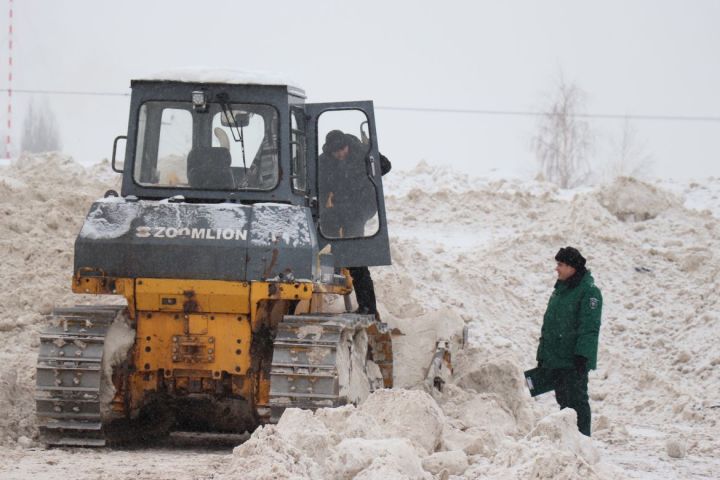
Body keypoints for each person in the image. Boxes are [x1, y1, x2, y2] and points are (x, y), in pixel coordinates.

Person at [319, 130, 391, 315]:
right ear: (330, 151)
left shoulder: (362, 152)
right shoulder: (324, 161)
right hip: (339, 207)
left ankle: (368, 308)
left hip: (361, 207)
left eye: (343, 149)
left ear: (347, 145)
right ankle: (330, 272)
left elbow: (386, 166)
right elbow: (318, 182)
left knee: (356, 255)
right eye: (336, 152)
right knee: (325, 239)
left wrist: (373, 152)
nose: (341, 154)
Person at [535, 246, 602, 436]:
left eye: (561, 265)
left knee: (577, 403)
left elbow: (589, 327)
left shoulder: (589, 292)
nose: (557, 269)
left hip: (573, 361)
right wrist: (542, 356)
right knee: (564, 403)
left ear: (573, 267)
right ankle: (569, 442)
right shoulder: (560, 291)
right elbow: (549, 326)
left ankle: (583, 442)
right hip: (556, 359)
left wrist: (582, 355)